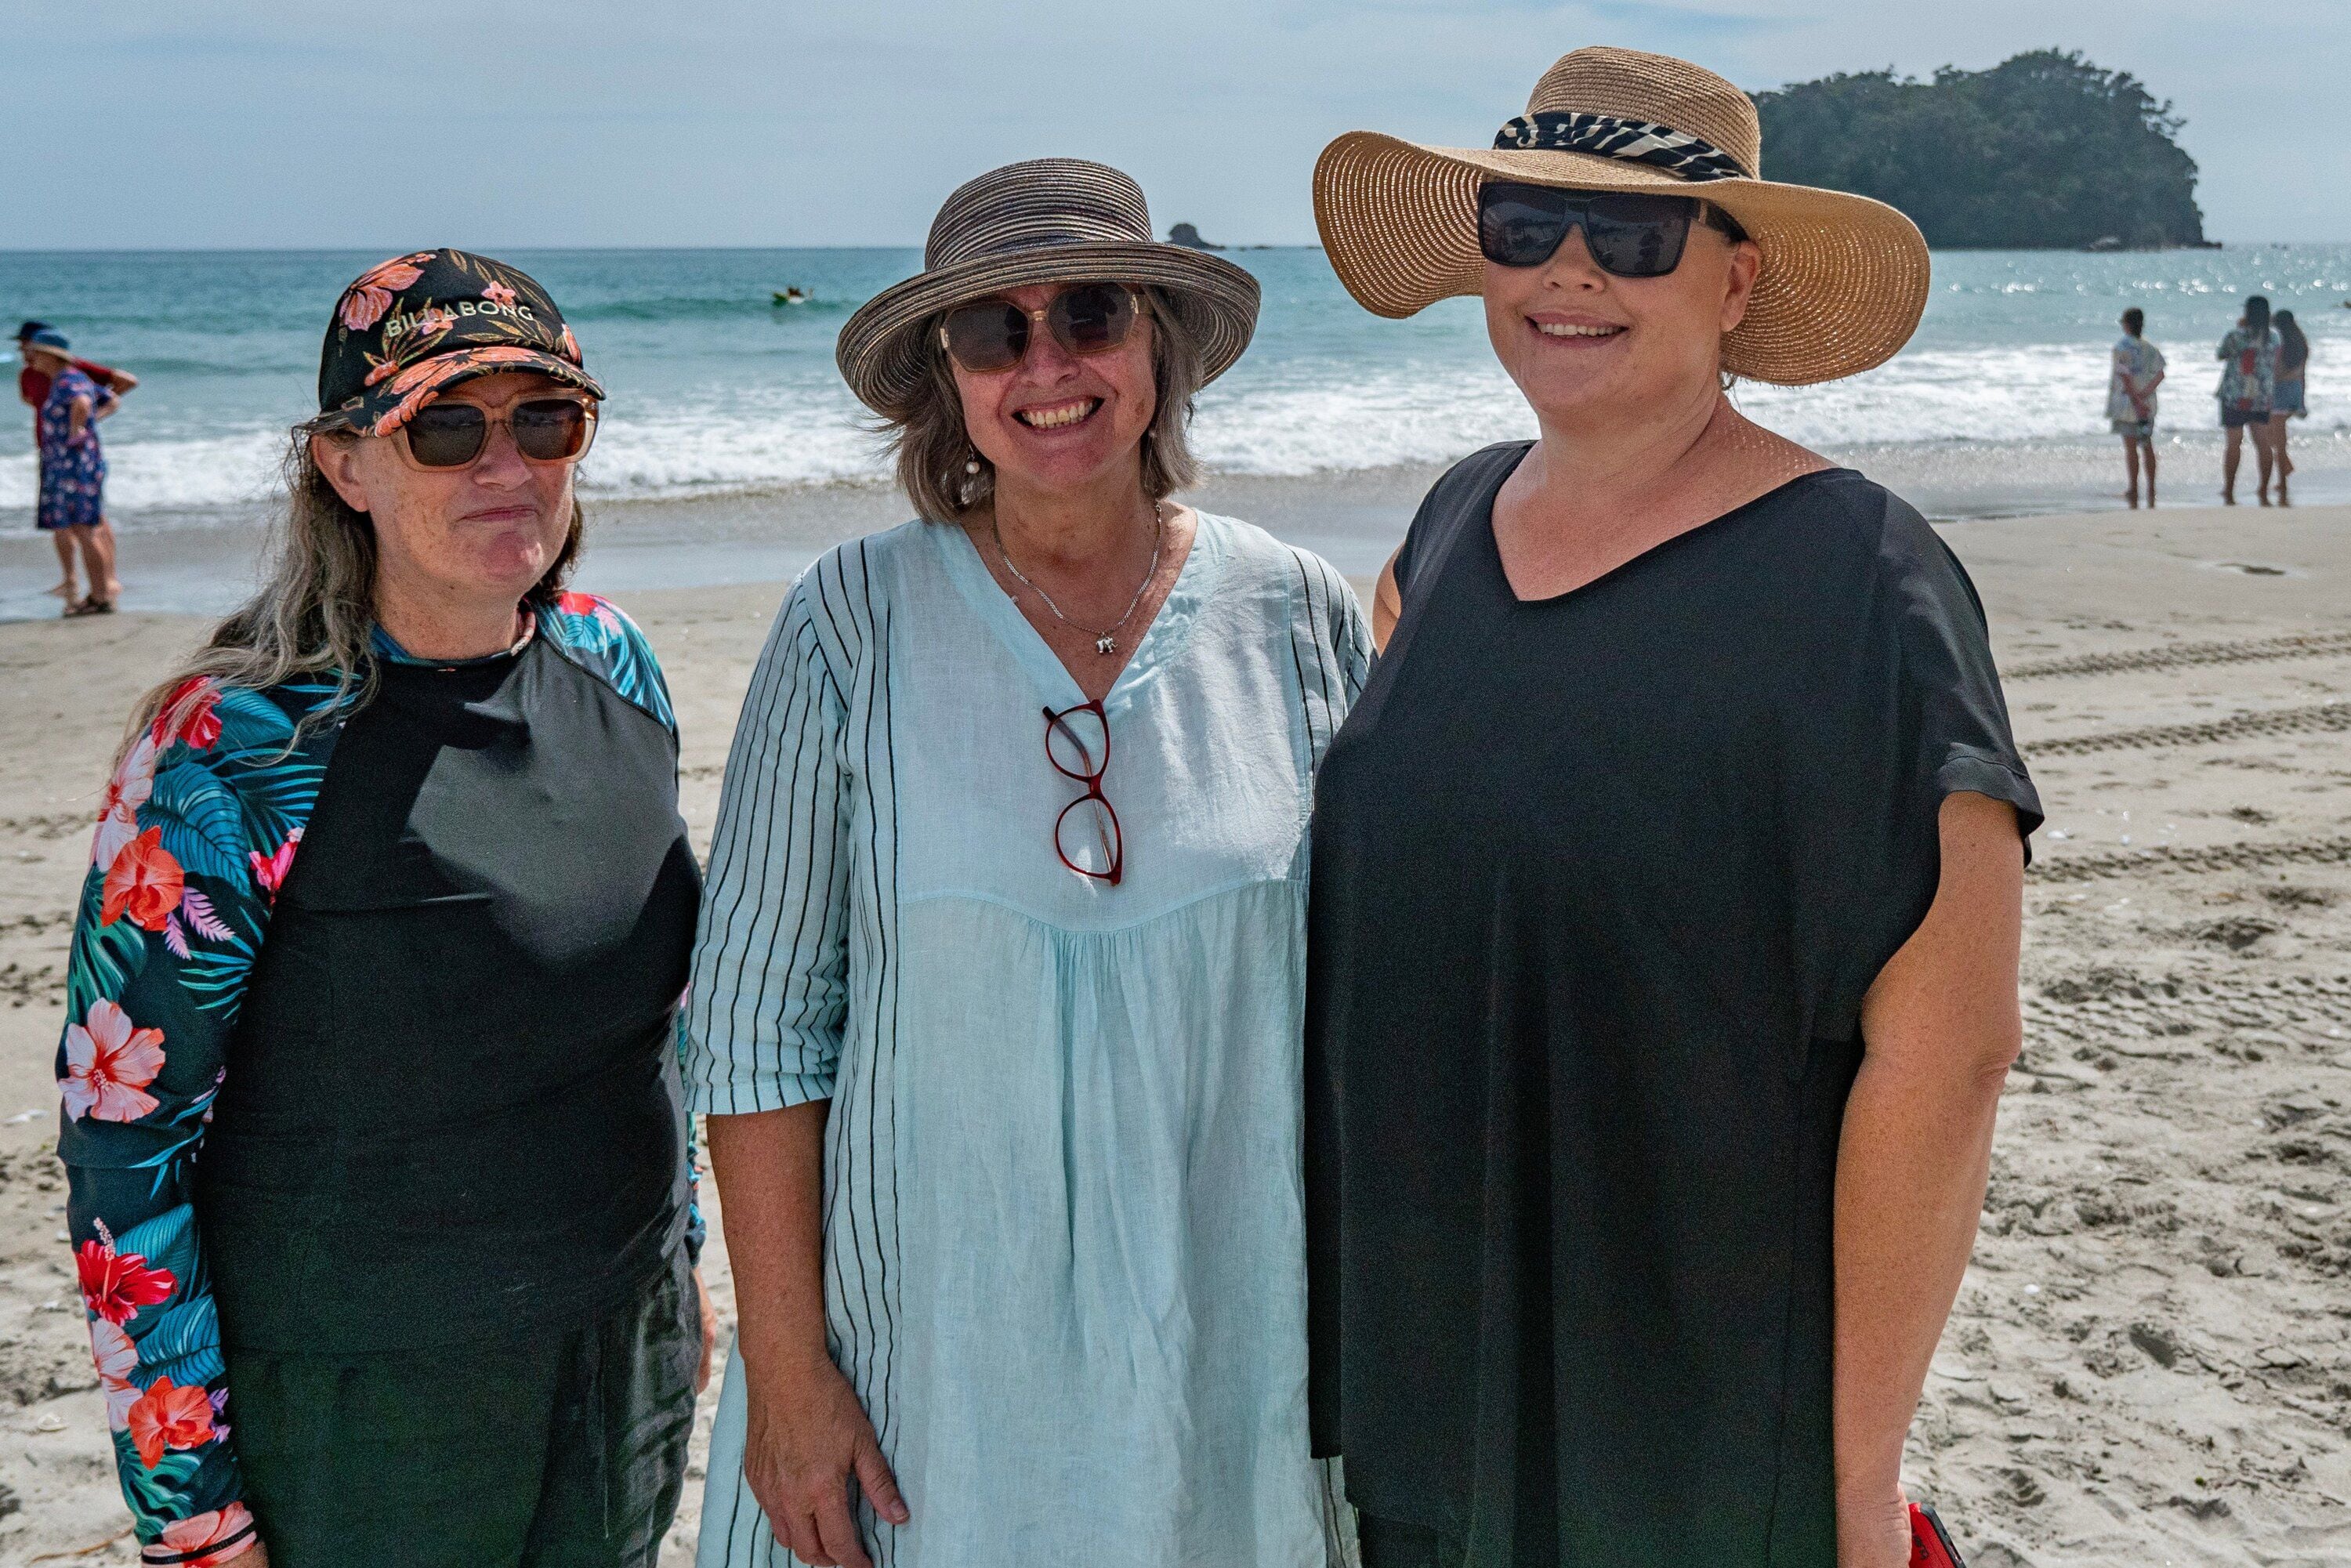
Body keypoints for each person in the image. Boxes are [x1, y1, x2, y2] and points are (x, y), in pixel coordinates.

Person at [1305, 47, 2040, 1568]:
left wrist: (1855, 1468)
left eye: (1631, 235)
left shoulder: (1864, 584)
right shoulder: (1447, 524)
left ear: (1734, 280)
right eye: (1524, 224)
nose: (1567, 273)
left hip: (1701, 1428)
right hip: (1434, 1394)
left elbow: (1951, 1047)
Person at [685, 159, 1366, 1568]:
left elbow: (1374, 998)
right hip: (921, 1376)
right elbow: (754, 1037)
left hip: (1231, 1356)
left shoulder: (1298, 615)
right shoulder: (847, 627)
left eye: (1092, 316)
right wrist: (796, 1383)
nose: (1047, 365)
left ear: (1160, 349)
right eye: (998, 332)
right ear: (949, 376)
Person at [58, 249, 715, 1567]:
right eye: (445, 425)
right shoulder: (233, 749)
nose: (506, 463)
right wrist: (188, 1504)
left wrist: (682, 1257)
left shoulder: (613, 660)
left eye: (547, 417)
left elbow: (660, 1022)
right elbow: (125, 1134)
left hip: (618, 1358)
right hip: (363, 1417)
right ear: (342, 465)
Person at [19, 320, 136, 607]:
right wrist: (88, 425)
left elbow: (83, 402)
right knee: (86, 527)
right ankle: (101, 593)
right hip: (71, 463)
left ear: (50, 355)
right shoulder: (68, 377)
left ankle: (100, 596)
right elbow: (109, 400)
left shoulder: (69, 379)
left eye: (36, 351)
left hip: (74, 467)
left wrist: (78, 429)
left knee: (84, 529)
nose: (31, 356)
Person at [2217, 294, 2278, 505]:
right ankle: (2263, 488)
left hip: (2235, 395)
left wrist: (2240, 327)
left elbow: (2221, 354)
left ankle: (2229, 489)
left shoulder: (2236, 336)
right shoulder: (2274, 337)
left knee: (2234, 444)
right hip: (2261, 395)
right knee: (2263, 444)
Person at [2108, 307, 2164, 507]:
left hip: (2128, 406)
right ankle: (2151, 489)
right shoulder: (2150, 347)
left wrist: (2136, 399)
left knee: (2131, 449)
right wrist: (2145, 395)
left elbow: (2124, 376)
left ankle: (2133, 488)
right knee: (2147, 445)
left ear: (2127, 324)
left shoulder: (2122, 347)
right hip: (2147, 405)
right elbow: (2160, 375)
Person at [2271, 309, 2309, 505]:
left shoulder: (2283, 343)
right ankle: (2284, 469)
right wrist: (2302, 398)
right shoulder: (2300, 342)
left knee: (2275, 436)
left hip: (2280, 390)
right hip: (2294, 389)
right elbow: (2302, 373)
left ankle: (2283, 477)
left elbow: (2280, 372)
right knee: (2276, 435)